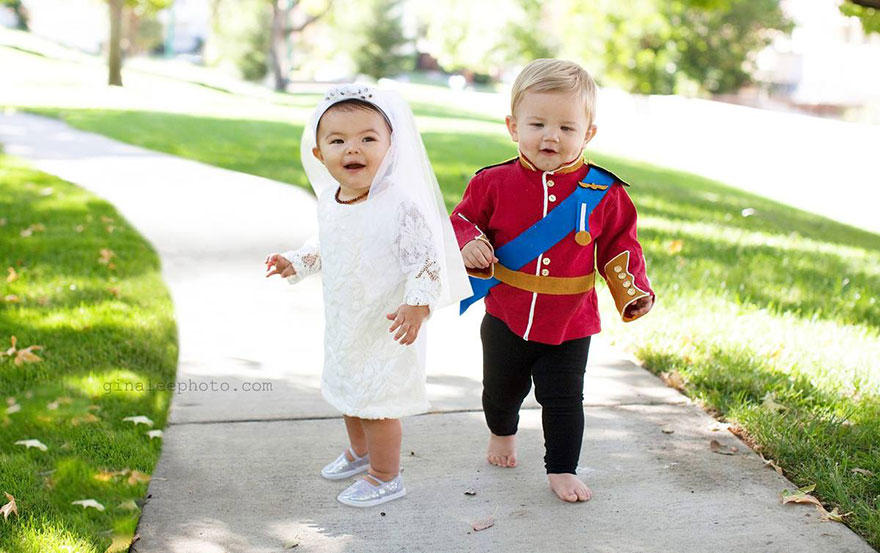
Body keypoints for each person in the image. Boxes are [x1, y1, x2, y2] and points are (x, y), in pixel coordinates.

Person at [450, 59, 655, 503]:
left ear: (589, 134)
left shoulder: (604, 192)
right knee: (499, 392)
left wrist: (632, 289)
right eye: (537, 123)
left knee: (565, 400)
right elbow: (461, 219)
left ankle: (562, 467)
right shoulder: (492, 182)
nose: (551, 136)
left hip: (571, 321)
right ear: (512, 126)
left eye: (567, 127)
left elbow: (622, 246)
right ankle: (502, 432)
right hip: (506, 313)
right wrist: (468, 242)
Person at [265, 84, 470, 508]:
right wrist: (295, 262)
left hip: (388, 323)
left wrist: (417, 305)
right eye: (337, 140)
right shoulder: (331, 200)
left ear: (391, 147)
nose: (352, 148)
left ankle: (385, 475)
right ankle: (359, 453)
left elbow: (424, 261)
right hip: (346, 321)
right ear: (320, 154)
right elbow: (326, 243)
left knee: (378, 403)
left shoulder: (398, 205)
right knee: (348, 392)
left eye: (367, 139)